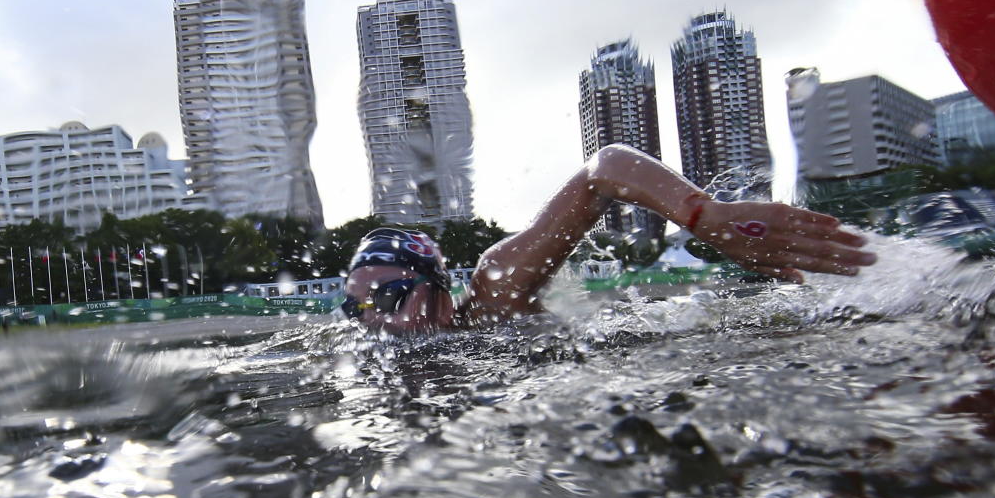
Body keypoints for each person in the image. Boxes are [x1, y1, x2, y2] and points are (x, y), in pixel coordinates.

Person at [342, 144, 876, 335]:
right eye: (355, 307)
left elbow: (602, 172)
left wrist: (702, 214)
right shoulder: (378, 355)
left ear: (436, 285)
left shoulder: (494, 296)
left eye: (387, 297)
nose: (372, 319)